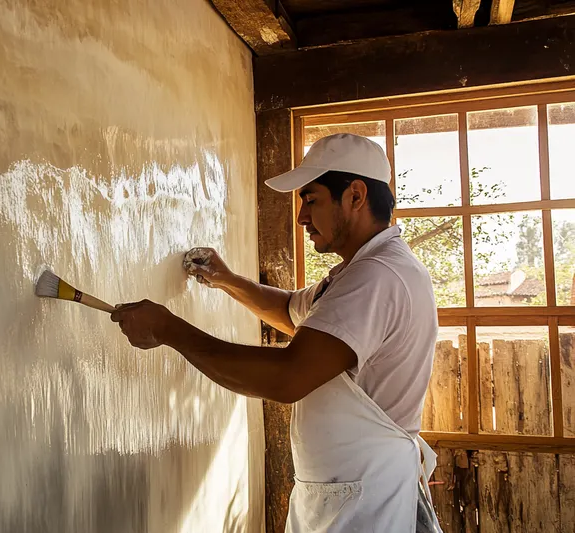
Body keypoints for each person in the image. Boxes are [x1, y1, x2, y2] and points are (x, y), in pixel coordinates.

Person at [111, 133, 442, 533]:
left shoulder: (378, 277)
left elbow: (288, 377)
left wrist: (169, 329)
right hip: (350, 495)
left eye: (312, 199)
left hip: (368, 505)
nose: (302, 216)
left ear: (355, 196)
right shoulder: (364, 271)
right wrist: (229, 280)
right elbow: (292, 313)